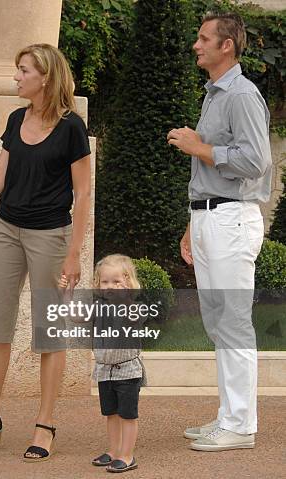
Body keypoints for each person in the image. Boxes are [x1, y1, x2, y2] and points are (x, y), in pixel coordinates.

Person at [0, 44, 92, 462]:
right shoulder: (16, 119)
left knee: (50, 331)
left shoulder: (71, 128)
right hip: (7, 230)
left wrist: (74, 253)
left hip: (51, 235)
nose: (16, 77)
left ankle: (45, 423)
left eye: (23, 70)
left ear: (44, 77)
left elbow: (82, 193)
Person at [167, 12, 271, 452]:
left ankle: (242, 426)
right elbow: (213, 171)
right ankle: (229, 417)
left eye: (203, 37)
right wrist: (194, 223)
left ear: (226, 45)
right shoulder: (215, 95)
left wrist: (200, 147)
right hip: (211, 217)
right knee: (217, 322)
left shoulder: (242, 95)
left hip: (232, 220)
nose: (196, 44)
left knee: (233, 322)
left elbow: (256, 162)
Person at [85, 255, 145, 474]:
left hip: (127, 371)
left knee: (127, 415)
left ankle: (127, 455)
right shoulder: (97, 306)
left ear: (127, 283)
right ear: (98, 284)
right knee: (111, 413)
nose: (110, 286)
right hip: (104, 370)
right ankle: (113, 450)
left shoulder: (133, 307)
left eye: (116, 281)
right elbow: (76, 317)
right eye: (105, 282)